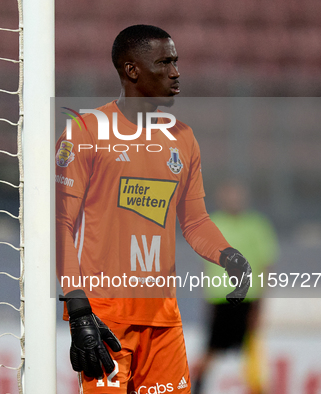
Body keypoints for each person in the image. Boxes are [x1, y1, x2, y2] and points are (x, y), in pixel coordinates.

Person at [55, 24, 253, 393]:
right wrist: (78, 311)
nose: (176, 72)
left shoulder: (182, 137)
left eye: (176, 62)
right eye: (165, 62)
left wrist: (228, 256)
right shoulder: (84, 131)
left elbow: (194, 220)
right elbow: (61, 224)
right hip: (105, 317)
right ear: (132, 71)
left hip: (163, 320)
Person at [192, 181, 278, 394]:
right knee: (211, 349)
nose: (234, 200)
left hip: (248, 298)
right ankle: (194, 388)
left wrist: (262, 301)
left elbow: (266, 263)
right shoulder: (212, 224)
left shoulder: (256, 225)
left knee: (253, 353)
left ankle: (257, 389)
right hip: (220, 298)